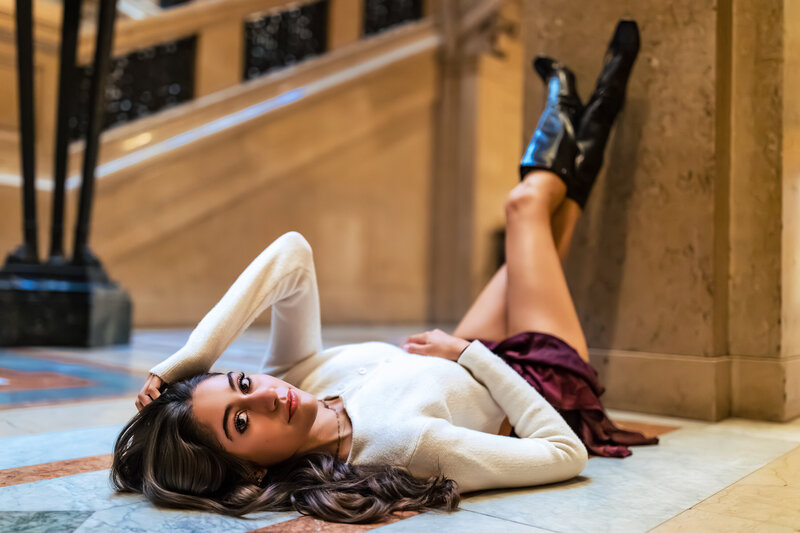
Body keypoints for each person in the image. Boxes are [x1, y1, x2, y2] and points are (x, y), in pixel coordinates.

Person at [112, 20, 651, 524]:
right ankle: (582, 109)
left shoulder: (298, 375)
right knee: (525, 209)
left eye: (243, 382)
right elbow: (563, 453)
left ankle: (594, 114)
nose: (266, 397)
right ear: (251, 470)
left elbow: (292, 254)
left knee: (545, 234)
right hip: (539, 382)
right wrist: (466, 353)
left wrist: (188, 363)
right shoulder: (405, 445)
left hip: (469, 361)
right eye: (242, 422)